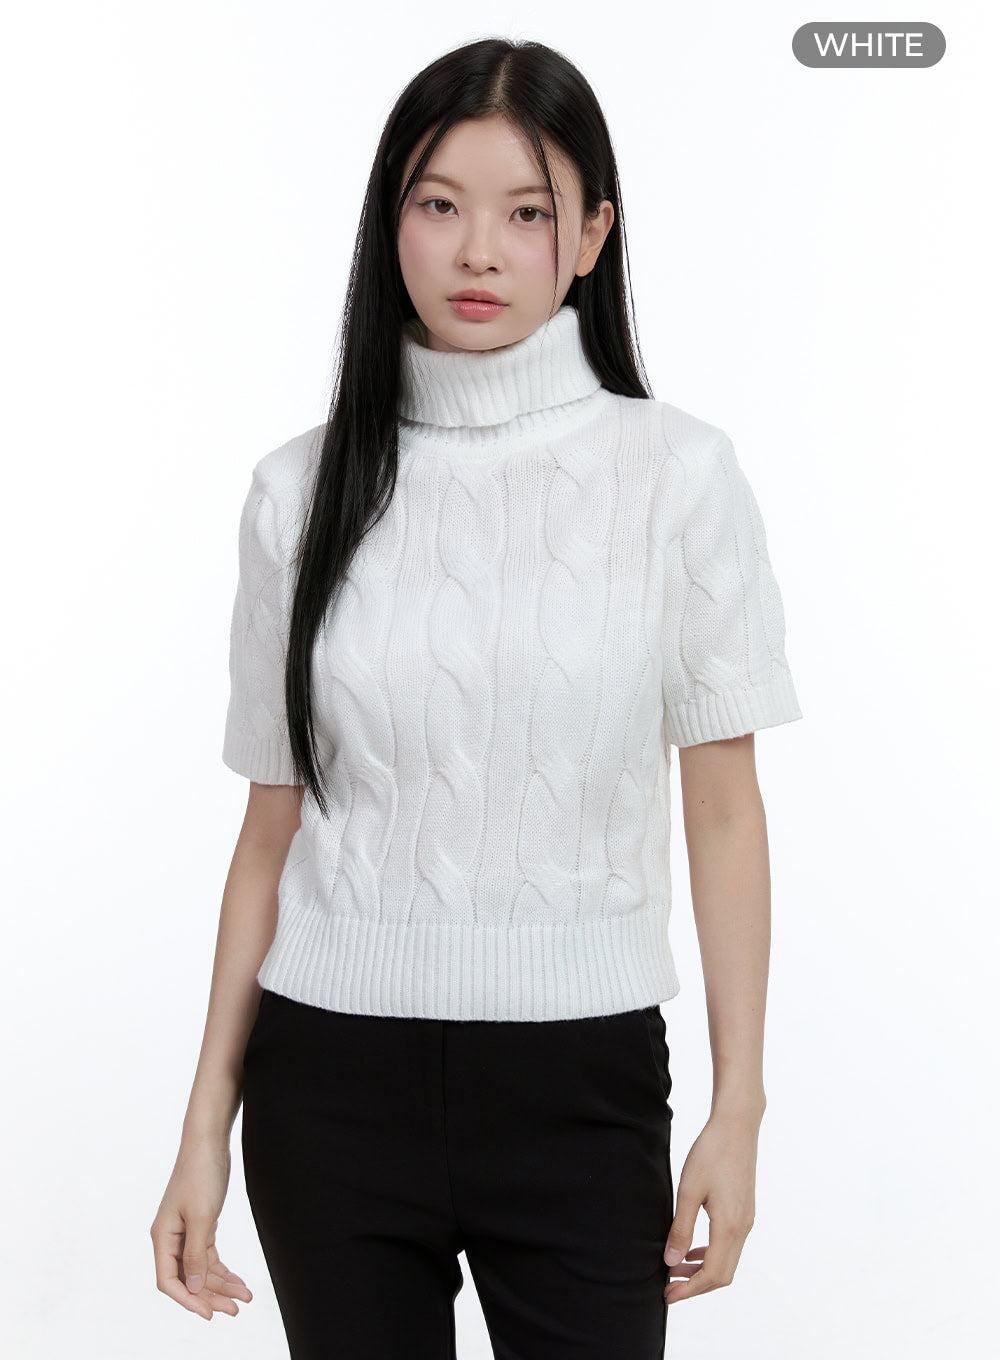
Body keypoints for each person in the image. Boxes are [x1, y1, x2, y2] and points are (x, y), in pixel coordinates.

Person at [150, 35, 803, 1360]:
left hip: (582, 1087)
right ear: (389, 219)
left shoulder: (677, 478)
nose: (479, 253)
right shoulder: (296, 493)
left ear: (594, 233)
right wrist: (202, 1126)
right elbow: (271, 831)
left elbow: (727, 815)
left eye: (528, 213)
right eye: (440, 205)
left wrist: (737, 1106)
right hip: (326, 1090)